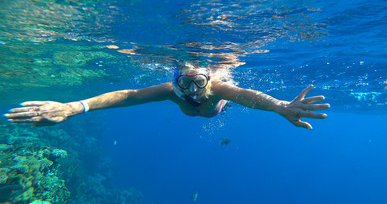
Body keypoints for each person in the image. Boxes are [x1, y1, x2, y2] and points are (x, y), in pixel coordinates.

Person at [3, 63, 330, 129]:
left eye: (199, 81)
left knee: (229, 101)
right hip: (195, 113)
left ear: (209, 78)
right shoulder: (170, 91)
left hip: (218, 109)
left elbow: (248, 95)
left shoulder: (217, 88)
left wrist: (281, 106)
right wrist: (74, 107)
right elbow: (128, 95)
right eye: (183, 83)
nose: (192, 90)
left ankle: (221, 108)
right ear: (175, 79)